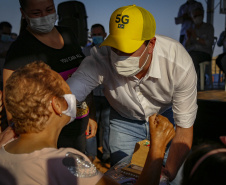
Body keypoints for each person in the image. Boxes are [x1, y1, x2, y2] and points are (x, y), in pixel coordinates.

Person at [67, 4, 198, 183]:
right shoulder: (100, 57)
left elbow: (183, 131)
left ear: (150, 44)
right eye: (115, 47)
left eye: (128, 50)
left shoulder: (178, 63)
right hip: (123, 120)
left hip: (166, 119)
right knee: (124, 178)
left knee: (172, 179)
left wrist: (168, 174)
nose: (119, 56)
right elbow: (67, 97)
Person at [0, 61, 176, 185]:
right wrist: (158, 147)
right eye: (68, 91)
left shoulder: (4, 150)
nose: (74, 98)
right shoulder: (67, 162)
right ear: (56, 105)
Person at [3, 0, 97, 153]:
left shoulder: (68, 34)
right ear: (23, 13)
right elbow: (10, 98)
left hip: (79, 125)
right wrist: (17, 130)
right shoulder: (20, 49)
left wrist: (91, 114)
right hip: (49, 134)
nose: (45, 16)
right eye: (36, 13)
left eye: (49, 9)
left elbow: (84, 74)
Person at [83, 24, 110, 163]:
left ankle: (106, 154)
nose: (96, 37)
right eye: (94, 35)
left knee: (107, 126)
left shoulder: (111, 50)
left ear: (105, 34)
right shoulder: (86, 51)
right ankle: (90, 155)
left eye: (99, 34)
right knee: (90, 124)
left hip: (107, 95)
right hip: (91, 94)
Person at [184, 7, 214, 84]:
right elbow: (185, 46)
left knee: (193, 58)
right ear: (192, 17)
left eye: (199, 15)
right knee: (182, 57)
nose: (197, 17)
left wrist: (196, 37)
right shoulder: (190, 28)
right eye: (195, 16)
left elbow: (209, 43)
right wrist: (188, 38)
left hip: (204, 53)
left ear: (203, 16)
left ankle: (193, 82)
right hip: (191, 52)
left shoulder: (209, 27)